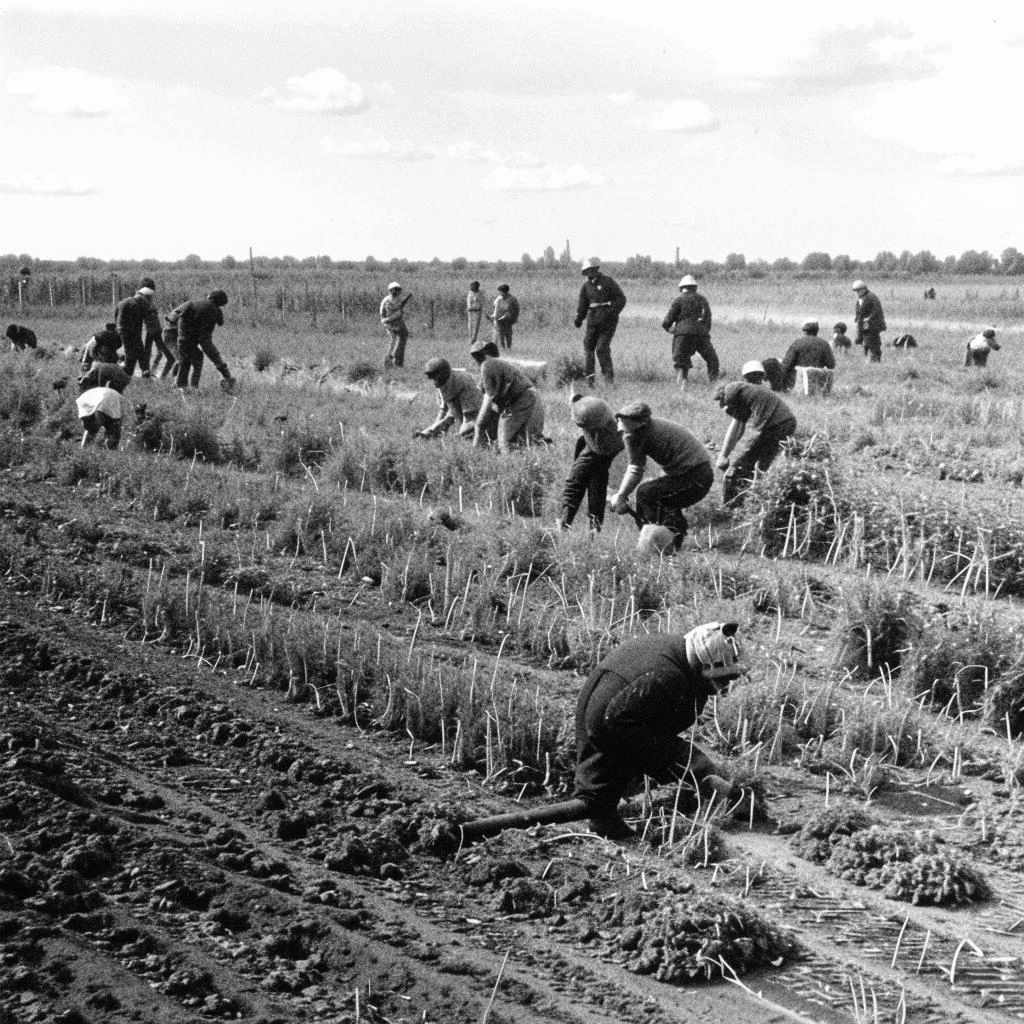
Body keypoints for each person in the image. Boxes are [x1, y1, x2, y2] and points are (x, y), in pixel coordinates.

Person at [573, 622, 748, 840]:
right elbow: (616, 720)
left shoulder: (679, 653)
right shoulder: (668, 675)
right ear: (705, 665)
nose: (725, 685)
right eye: (723, 678)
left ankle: (606, 803)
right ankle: (600, 808)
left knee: (663, 750)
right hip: (606, 717)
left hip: (602, 705)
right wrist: (691, 768)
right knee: (682, 757)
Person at [608, 401, 714, 550]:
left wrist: (620, 495)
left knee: (646, 494)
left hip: (696, 479)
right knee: (655, 491)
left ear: (640, 424)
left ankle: (655, 547)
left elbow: (635, 469)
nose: (622, 432)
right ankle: (672, 539)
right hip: (700, 474)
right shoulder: (652, 425)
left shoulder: (634, 435)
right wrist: (621, 495)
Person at [715, 381, 797, 507]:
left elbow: (733, 431)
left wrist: (723, 456)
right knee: (760, 466)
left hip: (775, 425)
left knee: (741, 467)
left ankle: (732, 506)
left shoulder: (731, 395)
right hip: (787, 423)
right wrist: (728, 454)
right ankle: (755, 501)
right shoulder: (744, 392)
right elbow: (739, 431)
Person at [558, 395, 624, 532]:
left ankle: (584, 529)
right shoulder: (592, 412)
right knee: (586, 482)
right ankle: (571, 527)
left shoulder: (609, 431)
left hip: (605, 450)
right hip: (598, 449)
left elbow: (600, 447)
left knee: (591, 486)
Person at [470, 340, 545, 452]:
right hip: (525, 397)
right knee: (518, 438)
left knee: (504, 440)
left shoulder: (487, 364)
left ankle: (507, 463)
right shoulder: (496, 363)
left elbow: (493, 397)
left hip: (521, 399)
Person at [574, 257, 626, 386]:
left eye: (589, 271)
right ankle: (590, 381)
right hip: (592, 322)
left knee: (602, 348)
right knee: (588, 349)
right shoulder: (585, 287)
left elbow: (621, 299)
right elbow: (582, 306)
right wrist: (579, 319)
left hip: (608, 323)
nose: (588, 274)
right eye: (585, 272)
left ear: (595, 269)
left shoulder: (608, 282)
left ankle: (609, 381)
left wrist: (611, 312)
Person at [661, 274, 717, 386]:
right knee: (712, 360)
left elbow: (668, 320)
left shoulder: (679, 300)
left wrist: (669, 328)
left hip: (682, 335)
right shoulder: (702, 299)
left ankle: (683, 383)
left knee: (681, 361)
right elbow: (708, 318)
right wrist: (704, 330)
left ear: (681, 288)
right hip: (701, 335)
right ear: (695, 287)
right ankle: (713, 382)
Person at [174, 290, 235, 392]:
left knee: (185, 361)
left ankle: (182, 387)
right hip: (201, 338)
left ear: (210, 297)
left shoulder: (192, 303)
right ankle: (192, 387)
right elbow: (220, 323)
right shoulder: (216, 310)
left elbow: (174, 316)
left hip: (184, 337)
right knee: (203, 358)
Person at [414, 357, 484, 439]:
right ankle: (428, 434)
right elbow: (444, 410)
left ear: (443, 375)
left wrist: (461, 433)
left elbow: (470, 416)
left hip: (473, 408)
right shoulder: (440, 382)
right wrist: (432, 430)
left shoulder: (463, 380)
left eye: (435, 377)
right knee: (446, 420)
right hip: (459, 406)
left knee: (465, 434)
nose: (434, 381)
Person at [76, 364, 130, 450]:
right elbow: (89, 425)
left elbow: (97, 420)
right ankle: (106, 446)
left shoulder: (95, 409)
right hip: (104, 394)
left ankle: (109, 447)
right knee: (110, 426)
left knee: (112, 427)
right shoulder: (84, 406)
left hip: (109, 398)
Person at [779, 320, 836, 390]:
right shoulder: (825, 344)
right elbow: (831, 365)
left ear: (804, 331)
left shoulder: (798, 343)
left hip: (800, 382)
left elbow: (786, 364)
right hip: (818, 384)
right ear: (817, 330)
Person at [114, 286, 157, 376]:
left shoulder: (122, 302)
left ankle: (142, 372)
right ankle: (128, 375)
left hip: (122, 330)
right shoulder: (139, 304)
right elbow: (147, 319)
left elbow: (116, 316)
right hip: (133, 332)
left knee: (135, 351)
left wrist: (118, 329)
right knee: (133, 353)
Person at [852, 279, 886, 362]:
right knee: (867, 345)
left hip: (872, 327)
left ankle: (875, 362)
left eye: (858, 290)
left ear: (864, 289)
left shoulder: (871, 297)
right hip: (866, 327)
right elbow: (859, 315)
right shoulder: (861, 300)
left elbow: (877, 311)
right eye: (856, 291)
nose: (857, 293)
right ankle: (871, 361)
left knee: (873, 345)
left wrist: (869, 319)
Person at [379, 282, 411, 369]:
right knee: (393, 342)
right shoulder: (388, 300)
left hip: (398, 323)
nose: (396, 291)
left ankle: (396, 361)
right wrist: (386, 320)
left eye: (397, 290)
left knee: (398, 341)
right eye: (394, 289)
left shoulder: (396, 300)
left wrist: (385, 320)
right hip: (392, 324)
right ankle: (391, 362)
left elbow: (398, 313)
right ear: (391, 290)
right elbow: (394, 313)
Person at [488, 284, 520, 351]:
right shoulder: (499, 299)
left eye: (501, 292)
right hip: (500, 319)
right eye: (499, 292)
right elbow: (496, 309)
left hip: (508, 319)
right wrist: (493, 317)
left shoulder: (512, 300)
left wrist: (508, 317)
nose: (500, 293)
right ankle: (502, 348)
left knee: (508, 334)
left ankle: (509, 348)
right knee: (500, 334)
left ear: (505, 291)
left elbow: (513, 311)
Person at [466, 280, 484, 344]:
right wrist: (470, 307)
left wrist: (477, 308)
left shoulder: (480, 293)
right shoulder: (470, 293)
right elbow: (468, 301)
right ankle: (470, 338)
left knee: (476, 325)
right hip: (471, 311)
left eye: (473, 286)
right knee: (470, 324)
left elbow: (481, 302)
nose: (472, 288)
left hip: (477, 311)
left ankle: (474, 338)